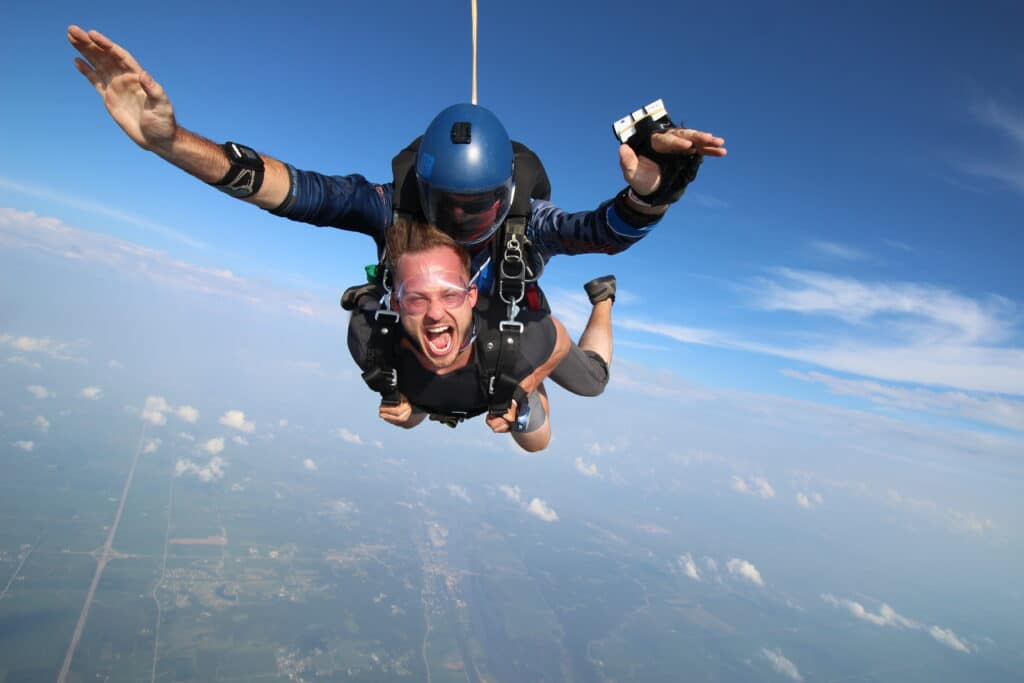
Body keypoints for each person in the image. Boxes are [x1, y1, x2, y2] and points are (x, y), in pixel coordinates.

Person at [348, 219, 616, 452]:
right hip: (477, 358)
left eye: (449, 295)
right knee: (406, 418)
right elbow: (366, 309)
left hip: (507, 345)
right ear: (396, 303)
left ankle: (603, 296)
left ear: (471, 296)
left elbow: (557, 335)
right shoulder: (372, 342)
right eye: (417, 298)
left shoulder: (515, 340)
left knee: (576, 400)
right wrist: (395, 396)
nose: (435, 313)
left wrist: (523, 388)